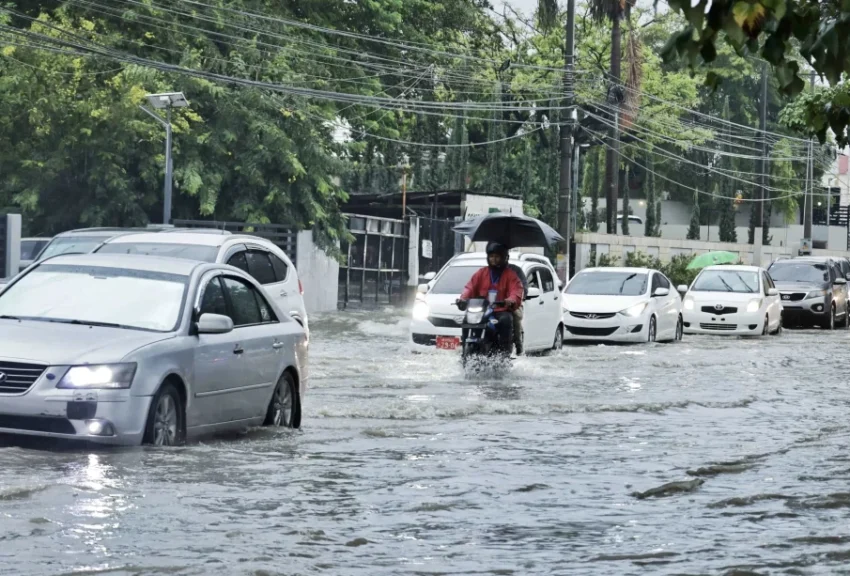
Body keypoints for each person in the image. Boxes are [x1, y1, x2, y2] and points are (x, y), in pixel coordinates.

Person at [457, 242, 524, 357]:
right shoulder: (481, 273)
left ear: (504, 258)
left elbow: (516, 290)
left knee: (506, 320)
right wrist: (463, 299)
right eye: (491, 256)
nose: (494, 259)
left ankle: (504, 354)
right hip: (483, 310)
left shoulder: (511, 275)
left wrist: (511, 299)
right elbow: (470, 287)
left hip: (501, 310)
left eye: (497, 256)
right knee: (466, 320)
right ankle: (464, 351)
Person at [507, 261, 527, 355]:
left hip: (512, 303)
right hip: (494, 303)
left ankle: (518, 344)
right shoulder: (489, 271)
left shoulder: (516, 270)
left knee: (516, 315)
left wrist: (516, 298)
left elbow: (523, 287)